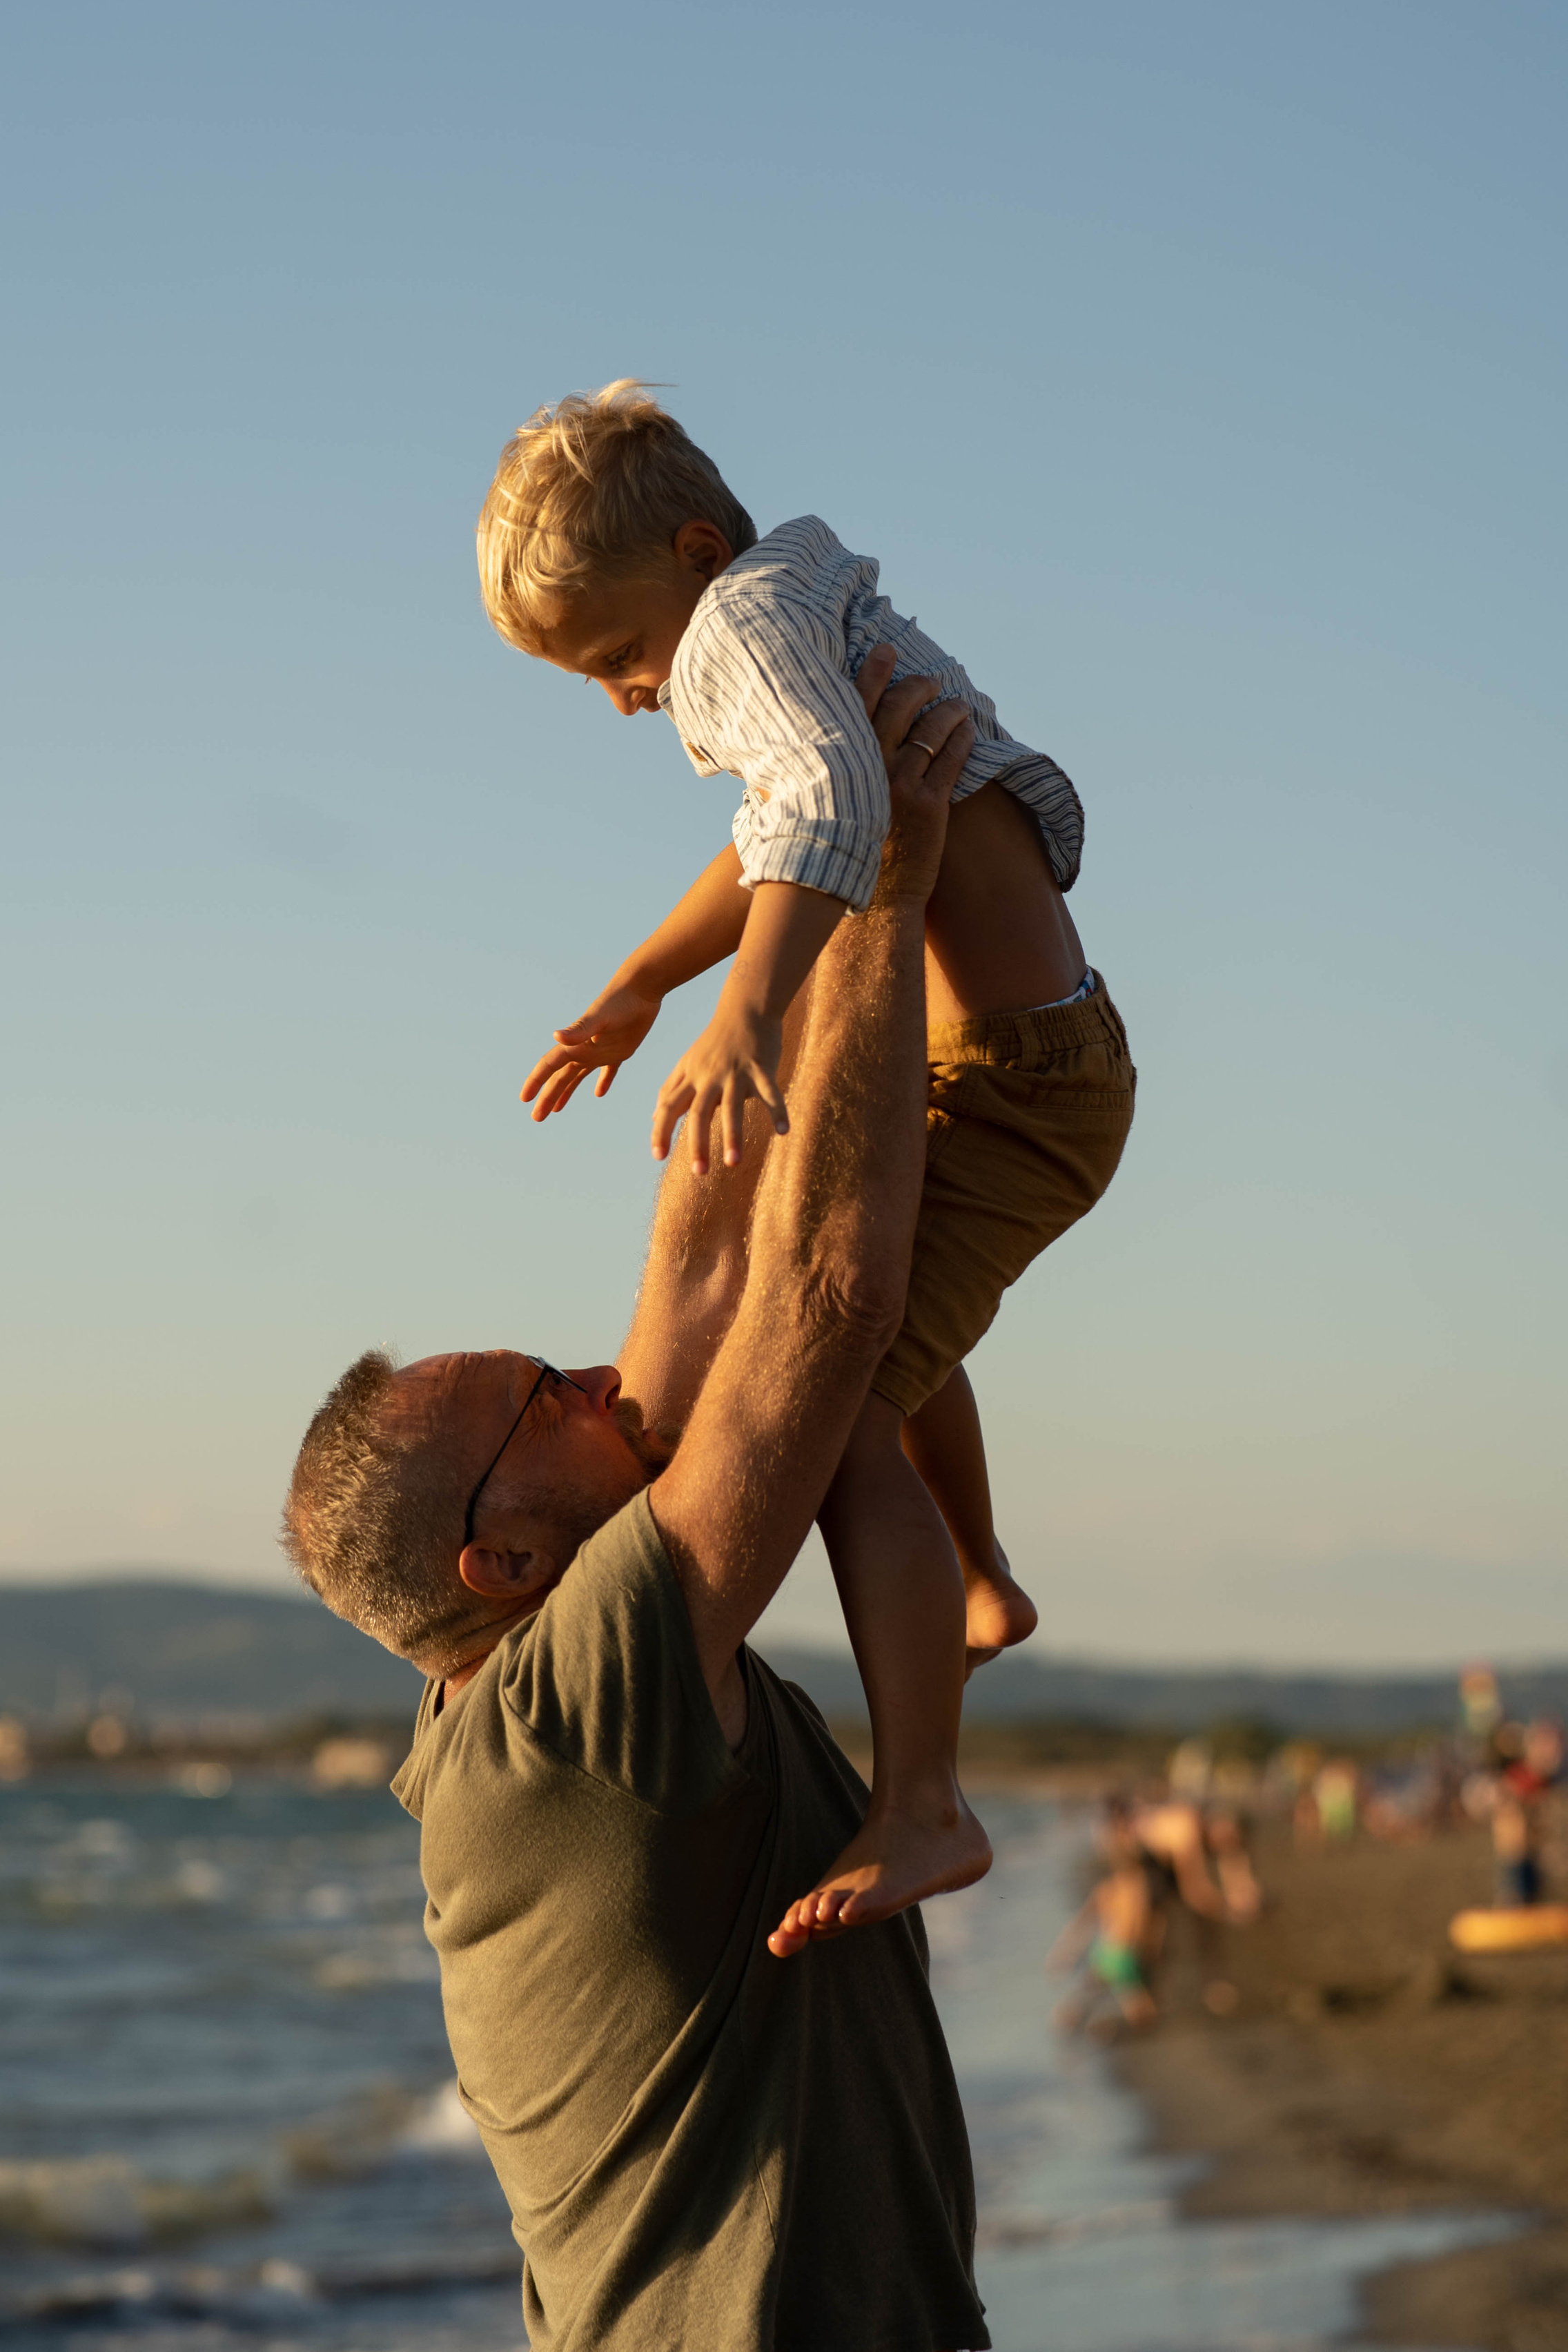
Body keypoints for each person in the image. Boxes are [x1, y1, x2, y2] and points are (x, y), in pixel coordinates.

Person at [283, 678, 989, 2351]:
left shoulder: (524, 1663)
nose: (600, 1376)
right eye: (548, 1398)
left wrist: (783, 887)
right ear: (502, 1560)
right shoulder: (566, 1712)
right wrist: (886, 890)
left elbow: (699, 1258)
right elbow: (820, 1294)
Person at [477, 381, 1137, 1928]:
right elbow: (785, 817)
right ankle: (976, 1573)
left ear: (694, 552)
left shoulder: (736, 633)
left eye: (618, 657)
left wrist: (749, 1016)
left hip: (1017, 1086)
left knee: (831, 1415)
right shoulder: (780, 603)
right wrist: (649, 978)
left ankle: (924, 1805)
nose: (628, 696)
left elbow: (831, 804)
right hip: (1018, 1058)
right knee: (875, 1315)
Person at [1048, 1802, 1162, 2033]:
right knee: (1142, 2010)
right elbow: (1150, 1924)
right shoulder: (1140, 1887)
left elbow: (1082, 1925)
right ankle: (1104, 2028)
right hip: (1125, 1954)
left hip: (1104, 1953)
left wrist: (1061, 1954)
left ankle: (1066, 2019)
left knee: (1090, 1993)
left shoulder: (1107, 1889)